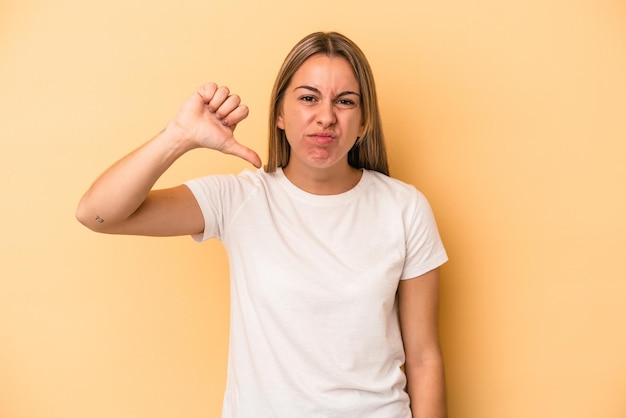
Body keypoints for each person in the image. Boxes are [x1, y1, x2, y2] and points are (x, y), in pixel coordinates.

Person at [77, 31, 448, 418]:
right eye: (308, 98)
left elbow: (424, 359)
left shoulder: (404, 208)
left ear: (364, 122)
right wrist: (179, 136)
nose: (326, 116)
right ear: (280, 115)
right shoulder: (240, 200)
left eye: (345, 101)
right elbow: (98, 213)